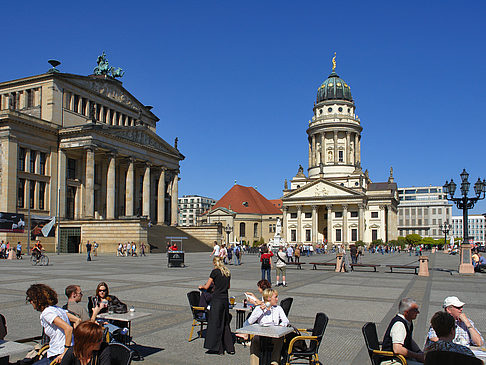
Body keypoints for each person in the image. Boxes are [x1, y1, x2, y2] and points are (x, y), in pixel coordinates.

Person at [26, 284, 77, 365]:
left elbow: (68, 329)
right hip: (64, 351)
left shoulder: (47, 313)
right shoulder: (57, 309)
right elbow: (77, 320)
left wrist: (65, 352)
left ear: (36, 300)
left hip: (58, 353)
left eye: (30, 300)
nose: (30, 302)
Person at [198, 257, 235, 355]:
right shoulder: (227, 272)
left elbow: (206, 286)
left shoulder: (214, 272)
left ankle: (218, 348)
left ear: (215, 263)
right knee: (225, 323)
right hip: (225, 300)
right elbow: (228, 287)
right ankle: (230, 347)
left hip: (217, 300)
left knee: (215, 323)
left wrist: (201, 287)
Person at [248, 288, 289, 365]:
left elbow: (286, 320)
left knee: (279, 339)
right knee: (255, 340)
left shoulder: (278, 308)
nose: (277, 299)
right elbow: (250, 321)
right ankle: (254, 363)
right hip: (261, 333)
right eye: (275, 297)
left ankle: (274, 362)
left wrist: (281, 325)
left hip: (274, 333)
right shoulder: (259, 308)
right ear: (269, 298)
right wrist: (260, 310)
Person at [381, 298, 424, 365]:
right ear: (406, 312)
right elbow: (397, 349)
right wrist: (417, 356)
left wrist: (419, 352)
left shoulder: (408, 321)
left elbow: (409, 339)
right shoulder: (399, 325)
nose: (418, 312)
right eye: (415, 310)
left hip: (400, 358)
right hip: (391, 361)